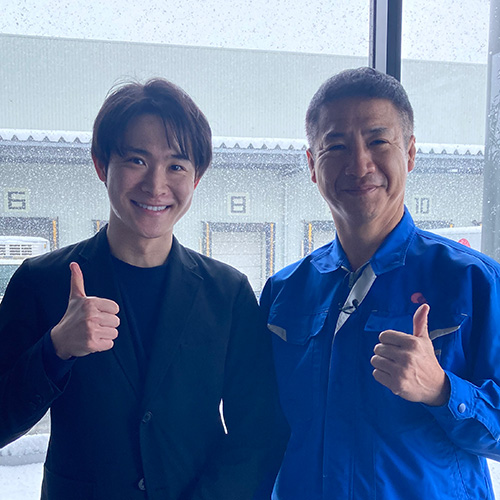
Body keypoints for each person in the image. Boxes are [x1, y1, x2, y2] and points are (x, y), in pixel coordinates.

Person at [0, 78, 287, 499]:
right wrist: (55, 349)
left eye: (176, 166)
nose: (156, 185)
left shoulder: (228, 294)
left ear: (197, 177)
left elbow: (259, 432)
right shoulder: (41, 281)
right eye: (136, 160)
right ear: (102, 165)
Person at [260, 67, 500, 499]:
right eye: (336, 146)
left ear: (409, 153)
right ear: (312, 165)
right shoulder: (284, 292)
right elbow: (259, 432)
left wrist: (442, 390)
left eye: (377, 142)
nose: (359, 164)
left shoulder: (473, 281)